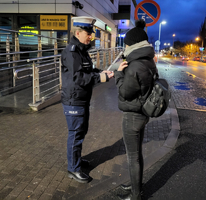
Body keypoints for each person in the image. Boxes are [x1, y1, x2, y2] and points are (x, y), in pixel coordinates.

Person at [61, 16, 114, 183]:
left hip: (81, 99)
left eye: (91, 33)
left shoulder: (81, 51)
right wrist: (100, 78)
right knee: (76, 134)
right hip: (74, 100)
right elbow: (78, 77)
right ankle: (73, 169)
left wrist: (102, 73)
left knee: (81, 132)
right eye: (88, 33)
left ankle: (76, 160)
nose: (91, 36)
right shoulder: (71, 52)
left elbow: (89, 70)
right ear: (78, 33)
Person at [114, 19, 158, 200]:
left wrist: (118, 73)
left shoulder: (135, 66)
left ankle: (136, 194)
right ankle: (135, 185)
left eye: (126, 44)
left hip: (132, 116)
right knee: (137, 154)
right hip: (142, 113)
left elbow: (125, 92)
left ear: (132, 45)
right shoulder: (148, 61)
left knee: (133, 157)